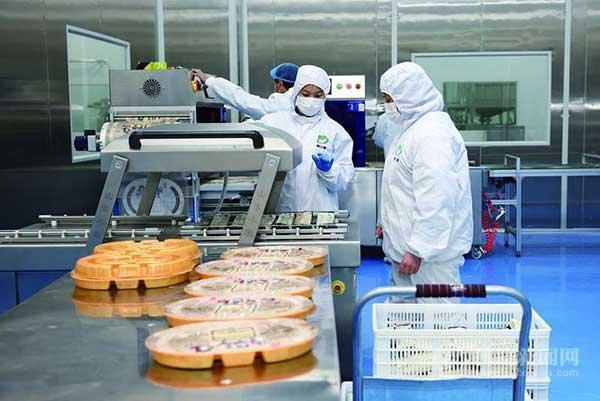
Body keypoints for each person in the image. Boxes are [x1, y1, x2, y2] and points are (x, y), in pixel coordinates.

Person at [378, 62, 473, 303]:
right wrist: (388, 223)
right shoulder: (412, 129)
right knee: (403, 320)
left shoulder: (432, 134)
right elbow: (403, 188)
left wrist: (419, 249)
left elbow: (436, 197)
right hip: (407, 253)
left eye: (390, 99)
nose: (388, 106)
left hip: (429, 261)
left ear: (409, 96)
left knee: (437, 321)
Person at [258, 65, 355, 212]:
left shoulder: (335, 131)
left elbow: (343, 182)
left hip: (320, 214)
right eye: (305, 94)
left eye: (318, 95)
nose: (311, 100)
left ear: (325, 96)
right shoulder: (274, 123)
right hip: (283, 214)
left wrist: (328, 170)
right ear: (296, 92)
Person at [190, 63, 298, 120]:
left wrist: (210, 80)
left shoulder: (283, 102)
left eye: (276, 82)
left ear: (280, 84)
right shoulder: (295, 101)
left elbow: (244, 100)